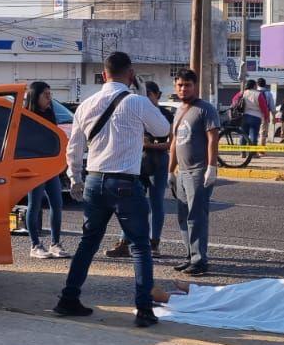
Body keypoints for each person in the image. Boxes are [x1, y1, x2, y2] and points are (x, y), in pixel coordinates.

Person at [55, 51, 171, 327]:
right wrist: (144, 94)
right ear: (131, 75)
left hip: (94, 180)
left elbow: (74, 147)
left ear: (103, 74)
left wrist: (75, 178)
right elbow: (163, 128)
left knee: (88, 243)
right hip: (126, 183)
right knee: (140, 247)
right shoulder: (136, 102)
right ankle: (143, 309)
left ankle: (68, 298)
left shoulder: (86, 104)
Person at [106, 80, 172, 259]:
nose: (144, 98)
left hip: (158, 161)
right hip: (137, 162)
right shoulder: (137, 112)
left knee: (156, 202)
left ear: (156, 95)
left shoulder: (165, 114)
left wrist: (150, 145)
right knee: (131, 204)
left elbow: (172, 143)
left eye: (148, 94)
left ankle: (154, 243)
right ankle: (124, 243)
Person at [169, 68, 221, 277]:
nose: (183, 88)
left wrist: (212, 166)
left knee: (196, 216)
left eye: (187, 85)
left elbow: (212, 139)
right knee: (183, 216)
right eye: (180, 85)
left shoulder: (206, 109)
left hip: (199, 170)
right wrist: (170, 171)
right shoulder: (179, 110)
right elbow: (174, 143)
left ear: (195, 86)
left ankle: (200, 260)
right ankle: (190, 256)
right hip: (182, 172)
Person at [23, 81, 68, 259]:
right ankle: (35, 245)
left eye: (50, 94)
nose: (50, 98)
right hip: (34, 166)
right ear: (36, 96)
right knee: (34, 204)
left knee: (57, 204)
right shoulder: (26, 116)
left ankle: (55, 243)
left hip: (50, 166)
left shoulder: (50, 113)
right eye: (46, 94)